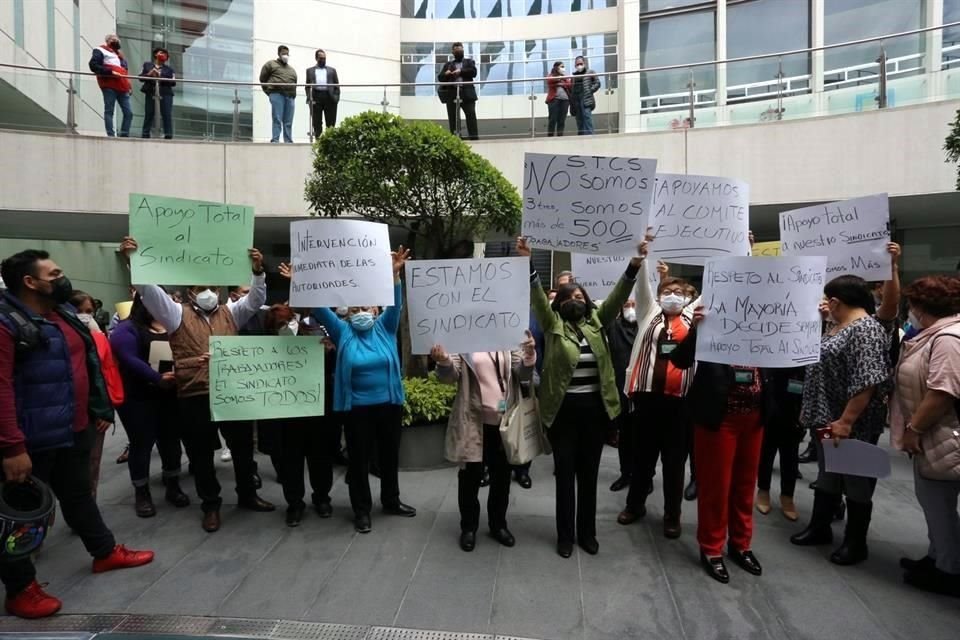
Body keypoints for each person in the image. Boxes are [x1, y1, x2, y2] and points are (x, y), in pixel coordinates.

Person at [0, 250, 154, 619]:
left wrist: (97, 410)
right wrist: (12, 447)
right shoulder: (7, 324)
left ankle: (104, 553)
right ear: (30, 281)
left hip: (72, 429)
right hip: (30, 439)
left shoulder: (63, 313)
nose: (62, 277)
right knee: (21, 518)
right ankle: (21, 589)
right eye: (54, 273)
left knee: (79, 496)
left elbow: (89, 364)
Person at [120, 237, 275, 533]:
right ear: (190, 293)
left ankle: (248, 495)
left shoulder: (232, 312)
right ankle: (211, 505)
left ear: (220, 291)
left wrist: (258, 272)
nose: (208, 293)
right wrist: (134, 260)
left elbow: (255, 299)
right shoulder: (175, 314)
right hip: (194, 394)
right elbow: (150, 292)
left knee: (243, 449)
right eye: (201, 289)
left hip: (232, 394)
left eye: (213, 289)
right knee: (201, 454)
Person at [517, 236, 647, 558]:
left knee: (589, 476)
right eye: (567, 296)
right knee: (565, 476)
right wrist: (529, 262)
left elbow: (617, 297)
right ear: (559, 303)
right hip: (562, 415)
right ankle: (565, 535)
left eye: (579, 295)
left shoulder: (598, 322)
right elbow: (536, 296)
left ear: (587, 301)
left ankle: (587, 533)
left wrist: (633, 265)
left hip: (595, 414)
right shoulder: (551, 324)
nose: (574, 299)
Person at [790, 275, 894, 565]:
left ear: (835, 301)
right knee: (829, 475)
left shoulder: (866, 330)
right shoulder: (839, 326)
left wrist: (846, 421)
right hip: (828, 418)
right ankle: (820, 527)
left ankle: (855, 542)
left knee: (857, 483)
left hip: (852, 424)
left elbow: (868, 381)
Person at [312, 247, 416, 534]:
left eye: (366, 308)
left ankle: (391, 500)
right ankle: (361, 510)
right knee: (358, 462)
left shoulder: (386, 328)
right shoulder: (342, 331)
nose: (361, 313)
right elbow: (320, 309)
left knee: (389, 457)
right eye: (355, 309)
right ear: (347, 314)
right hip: (357, 409)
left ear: (376, 309)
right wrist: (303, 281)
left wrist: (395, 275)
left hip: (389, 406)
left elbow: (397, 305)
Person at [666, 306, 771, 584]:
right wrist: (696, 331)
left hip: (755, 417)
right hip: (719, 418)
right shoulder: (711, 323)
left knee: (746, 484)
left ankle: (741, 544)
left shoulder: (768, 322)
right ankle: (712, 548)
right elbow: (679, 360)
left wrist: (809, 323)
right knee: (716, 485)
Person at [433, 333, 536, 551]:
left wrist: (529, 355)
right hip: (473, 422)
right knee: (470, 477)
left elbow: (523, 374)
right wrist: (443, 361)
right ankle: (468, 527)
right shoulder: (462, 338)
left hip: (504, 423)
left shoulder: (509, 334)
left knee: (502, 477)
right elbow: (449, 376)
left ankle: (498, 524)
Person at [890, 276, 960, 597]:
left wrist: (914, 429)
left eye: (911, 304)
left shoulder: (948, 338)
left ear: (920, 305)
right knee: (933, 504)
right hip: (933, 434)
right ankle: (936, 558)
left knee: (940, 507)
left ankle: (948, 571)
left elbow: (941, 392)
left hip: (941, 434)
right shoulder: (933, 334)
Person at [619, 268, 697, 539]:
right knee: (642, 458)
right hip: (647, 400)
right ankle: (635, 506)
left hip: (679, 405)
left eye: (678, 293)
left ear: (687, 298)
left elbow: (717, 289)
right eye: (666, 292)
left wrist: (743, 250)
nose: (672, 296)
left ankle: (672, 516)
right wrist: (642, 258)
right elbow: (642, 287)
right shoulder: (649, 314)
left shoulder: (692, 318)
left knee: (675, 464)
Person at [109, 294, 189, 517]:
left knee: (171, 442)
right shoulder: (127, 328)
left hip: (171, 396)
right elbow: (128, 358)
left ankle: (173, 485)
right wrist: (156, 378)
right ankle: (142, 492)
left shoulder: (174, 325)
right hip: (138, 397)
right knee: (141, 444)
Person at [68, 291, 125, 499]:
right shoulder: (55, 335)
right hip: (65, 414)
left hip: (95, 414)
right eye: (79, 311)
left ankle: (88, 503)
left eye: (89, 311)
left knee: (92, 461)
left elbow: (109, 373)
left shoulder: (100, 339)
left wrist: (106, 410)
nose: (84, 316)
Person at [755, 368, 805, 522]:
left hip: (795, 404)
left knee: (790, 455)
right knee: (766, 451)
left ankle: (787, 496)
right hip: (772, 392)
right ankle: (763, 490)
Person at [607, 299, 638, 492]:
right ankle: (625, 474)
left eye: (635, 305)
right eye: (626, 304)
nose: (631, 309)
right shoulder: (613, 326)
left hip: (644, 391)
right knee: (625, 437)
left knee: (644, 439)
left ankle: (645, 478)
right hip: (620, 390)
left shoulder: (649, 326)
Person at [89, 34, 132, 138]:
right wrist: (110, 72)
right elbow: (93, 65)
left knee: (129, 113)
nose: (116, 40)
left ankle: (124, 135)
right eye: (113, 39)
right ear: (107, 41)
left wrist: (129, 85)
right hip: (109, 85)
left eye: (117, 39)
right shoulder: (100, 50)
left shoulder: (121, 57)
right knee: (109, 110)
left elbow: (125, 72)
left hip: (122, 86)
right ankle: (111, 135)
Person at [437, 42, 479, 140]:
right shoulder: (448, 64)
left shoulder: (469, 62)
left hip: (467, 93)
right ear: (453, 52)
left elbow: (474, 72)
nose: (458, 51)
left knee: (471, 115)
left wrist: (461, 71)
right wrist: (446, 74)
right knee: (453, 118)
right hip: (452, 94)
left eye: (460, 49)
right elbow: (440, 78)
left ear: (463, 50)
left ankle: (474, 138)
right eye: (456, 50)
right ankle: (455, 139)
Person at [260, 46, 297, 143]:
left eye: (287, 54)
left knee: (288, 121)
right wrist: (269, 92)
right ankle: (275, 140)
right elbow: (262, 79)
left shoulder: (291, 70)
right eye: (284, 53)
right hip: (277, 94)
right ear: (279, 54)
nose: (286, 56)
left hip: (290, 96)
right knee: (277, 118)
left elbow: (295, 82)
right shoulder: (271, 64)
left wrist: (293, 95)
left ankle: (288, 140)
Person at [139, 47, 176, 139]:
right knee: (149, 112)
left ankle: (168, 134)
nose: (163, 55)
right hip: (151, 91)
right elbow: (140, 77)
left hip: (165, 93)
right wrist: (150, 74)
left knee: (166, 113)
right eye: (161, 53)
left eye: (165, 54)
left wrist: (160, 76)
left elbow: (173, 82)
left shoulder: (169, 69)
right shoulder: (147, 65)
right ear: (155, 54)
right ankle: (145, 133)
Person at [306, 49, 340, 138]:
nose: (323, 60)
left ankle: (330, 140)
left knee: (331, 121)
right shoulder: (309, 71)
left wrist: (336, 98)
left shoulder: (332, 70)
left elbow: (337, 85)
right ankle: (319, 140)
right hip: (316, 97)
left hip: (329, 97)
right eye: (321, 58)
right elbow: (307, 86)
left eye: (324, 58)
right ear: (316, 58)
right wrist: (309, 97)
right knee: (316, 121)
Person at [570, 56, 601, 135]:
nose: (579, 65)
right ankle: (581, 137)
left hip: (586, 98)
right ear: (575, 65)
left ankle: (590, 135)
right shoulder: (573, 76)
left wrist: (590, 90)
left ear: (584, 63)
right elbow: (571, 88)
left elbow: (597, 83)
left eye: (581, 63)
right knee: (579, 119)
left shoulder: (590, 72)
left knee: (587, 116)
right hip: (576, 99)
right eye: (577, 64)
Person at [545, 61, 571, 137]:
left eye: (563, 67)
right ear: (556, 68)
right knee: (553, 119)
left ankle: (560, 136)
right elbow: (549, 80)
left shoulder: (565, 77)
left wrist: (562, 82)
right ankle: (550, 136)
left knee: (562, 119)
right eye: (561, 67)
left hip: (565, 100)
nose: (563, 68)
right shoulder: (551, 75)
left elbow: (569, 85)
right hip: (554, 100)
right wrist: (559, 79)